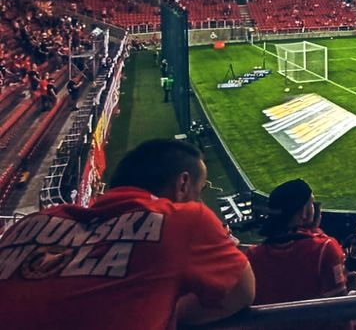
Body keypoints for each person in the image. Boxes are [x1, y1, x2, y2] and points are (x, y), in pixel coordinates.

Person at [0, 139, 254, 330]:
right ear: (183, 185)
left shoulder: (28, 224)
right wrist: (168, 310)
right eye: (199, 190)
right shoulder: (184, 220)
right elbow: (240, 293)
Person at [247, 179, 347, 305]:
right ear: (304, 212)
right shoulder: (324, 248)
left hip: (272, 324)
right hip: (316, 324)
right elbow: (339, 305)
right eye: (311, 202)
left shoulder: (253, 255)